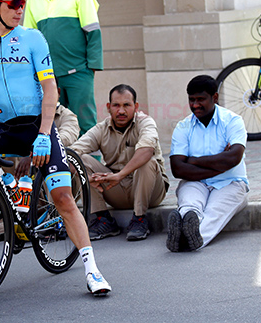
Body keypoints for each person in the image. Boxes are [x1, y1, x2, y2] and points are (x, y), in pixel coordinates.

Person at [0, 0, 111, 296]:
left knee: (62, 198)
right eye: (14, 4)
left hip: (40, 125)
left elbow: (50, 89)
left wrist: (44, 133)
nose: (21, 10)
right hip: (8, 127)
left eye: (23, 3)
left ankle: (92, 270)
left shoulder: (33, 39)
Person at [71, 84, 169, 241]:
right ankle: (103, 219)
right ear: (109, 107)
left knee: (147, 161)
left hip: (151, 191)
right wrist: (86, 179)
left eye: (126, 105)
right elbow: (71, 154)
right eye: (116, 105)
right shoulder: (101, 128)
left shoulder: (146, 122)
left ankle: (140, 219)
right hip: (116, 190)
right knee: (80, 160)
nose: (121, 111)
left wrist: (120, 175)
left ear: (135, 107)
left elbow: (146, 150)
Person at [166, 75, 249, 252]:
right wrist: (220, 162)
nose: (195, 105)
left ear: (215, 97)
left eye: (201, 99)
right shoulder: (183, 126)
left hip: (231, 184)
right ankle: (185, 226)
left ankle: (187, 238)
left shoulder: (233, 121)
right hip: (195, 183)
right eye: (191, 100)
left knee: (214, 212)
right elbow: (178, 168)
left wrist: (193, 161)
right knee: (190, 205)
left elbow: (233, 158)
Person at [23, 0, 102, 136]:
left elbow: (93, 33)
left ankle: (91, 163)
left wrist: (92, 68)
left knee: (85, 121)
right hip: (48, 76)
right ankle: (63, 163)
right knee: (56, 123)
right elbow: (30, 39)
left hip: (79, 72)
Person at [13, 78, 80, 179]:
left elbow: (67, 136)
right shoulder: (24, 115)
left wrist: (35, 151)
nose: (42, 97)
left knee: (55, 158)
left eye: (46, 91)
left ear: (57, 92)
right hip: (25, 170)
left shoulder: (67, 116)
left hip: (52, 164)